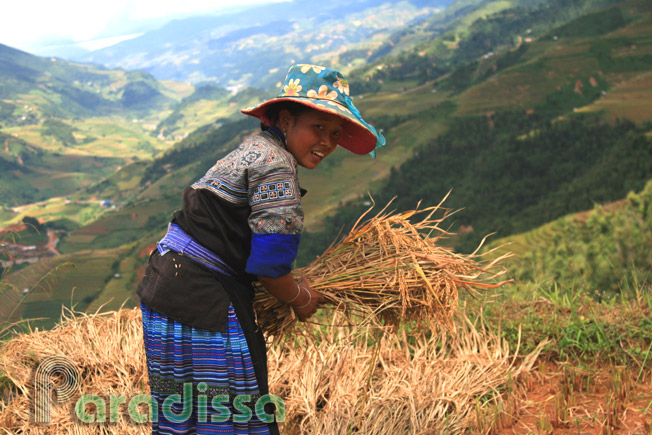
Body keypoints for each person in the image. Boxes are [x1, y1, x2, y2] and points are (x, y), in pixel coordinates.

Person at [136, 63, 385, 434]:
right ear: (285, 120)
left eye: (336, 133)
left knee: (186, 415)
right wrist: (301, 298)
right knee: (228, 416)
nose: (328, 142)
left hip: (165, 289)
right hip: (203, 303)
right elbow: (269, 267)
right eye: (318, 128)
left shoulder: (254, 148)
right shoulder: (277, 168)